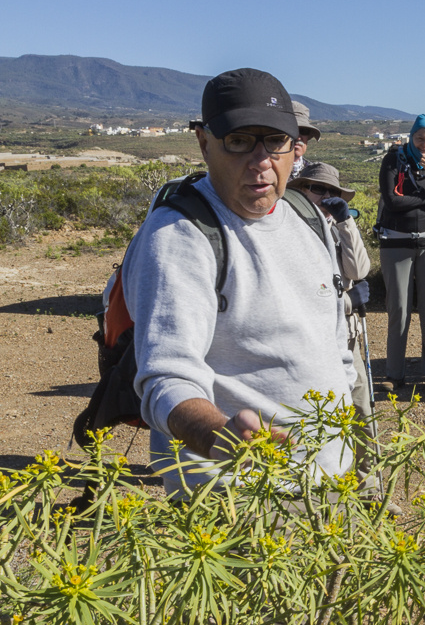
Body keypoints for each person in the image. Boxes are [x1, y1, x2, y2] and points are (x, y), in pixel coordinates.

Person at [122, 68, 356, 498]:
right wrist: (219, 436)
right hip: (238, 498)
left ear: (295, 147)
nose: (261, 161)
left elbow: (334, 347)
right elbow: (164, 379)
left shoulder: (308, 218)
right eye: (239, 141)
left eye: (276, 141)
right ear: (205, 143)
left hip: (328, 487)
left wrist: (346, 449)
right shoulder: (182, 235)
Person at [290, 162, 375, 439]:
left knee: (363, 412)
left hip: (347, 338)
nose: (326, 197)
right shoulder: (290, 232)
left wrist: (346, 222)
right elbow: (301, 296)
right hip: (313, 343)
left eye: (332, 191)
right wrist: (347, 303)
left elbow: (359, 270)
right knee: (320, 417)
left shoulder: (338, 227)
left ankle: (369, 483)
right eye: (317, 189)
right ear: (301, 191)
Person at [376, 115, 425, 396]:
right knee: (398, 311)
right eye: (420, 138)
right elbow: (393, 201)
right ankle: (394, 375)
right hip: (396, 243)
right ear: (411, 137)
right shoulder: (393, 161)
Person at [289, 102, 320, 180]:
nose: (298, 137)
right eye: (293, 130)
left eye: (304, 131)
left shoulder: (315, 173)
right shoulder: (266, 169)